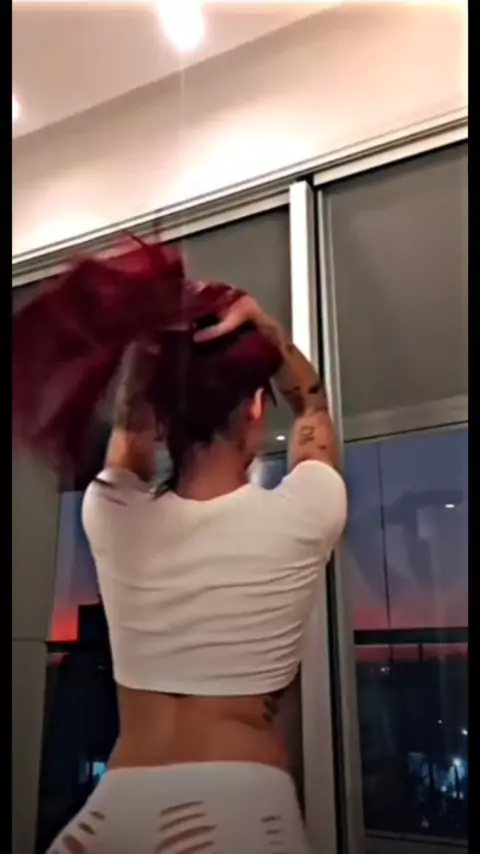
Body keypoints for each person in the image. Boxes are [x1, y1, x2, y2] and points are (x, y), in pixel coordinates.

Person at [13, 243, 347, 854]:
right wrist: (267, 329)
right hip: (236, 820)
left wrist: (150, 354)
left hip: (105, 821)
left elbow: (129, 428)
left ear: (165, 418)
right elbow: (314, 408)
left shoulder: (110, 513)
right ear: (255, 408)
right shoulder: (308, 512)